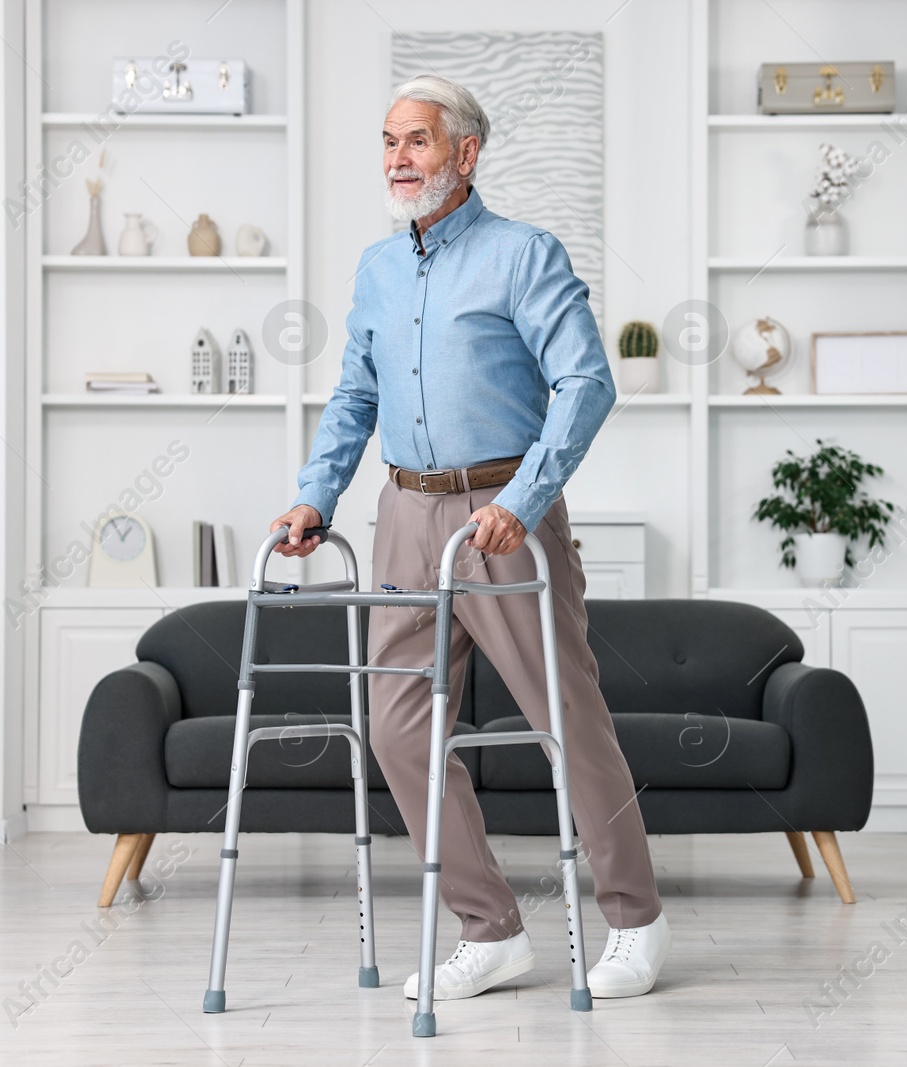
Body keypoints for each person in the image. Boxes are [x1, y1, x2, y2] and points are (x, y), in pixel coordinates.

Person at [267, 73, 669, 1001]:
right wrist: (314, 496)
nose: (398, 159)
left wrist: (524, 501)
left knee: (563, 717)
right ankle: (488, 928)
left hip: (502, 515)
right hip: (405, 514)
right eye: (388, 141)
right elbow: (356, 397)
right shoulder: (375, 267)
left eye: (416, 141)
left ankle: (635, 920)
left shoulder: (523, 254)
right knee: (398, 725)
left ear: (465, 154)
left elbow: (587, 383)